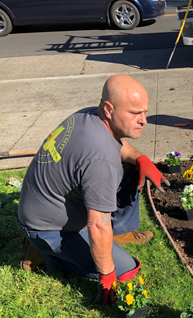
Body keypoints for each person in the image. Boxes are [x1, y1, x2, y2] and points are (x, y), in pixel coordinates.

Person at [17, 74, 169, 304]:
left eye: (145, 112)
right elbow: (97, 224)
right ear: (108, 109)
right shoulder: (100, 160)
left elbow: (119, 145)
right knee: (125, 271)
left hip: (41, 207)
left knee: (131, 167)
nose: (144, 120)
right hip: (48, 229)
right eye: (135, 113)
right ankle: (43, 253)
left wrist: (141, 159)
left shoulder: (89, 115)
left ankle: (118, 233)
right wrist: (107, 275)